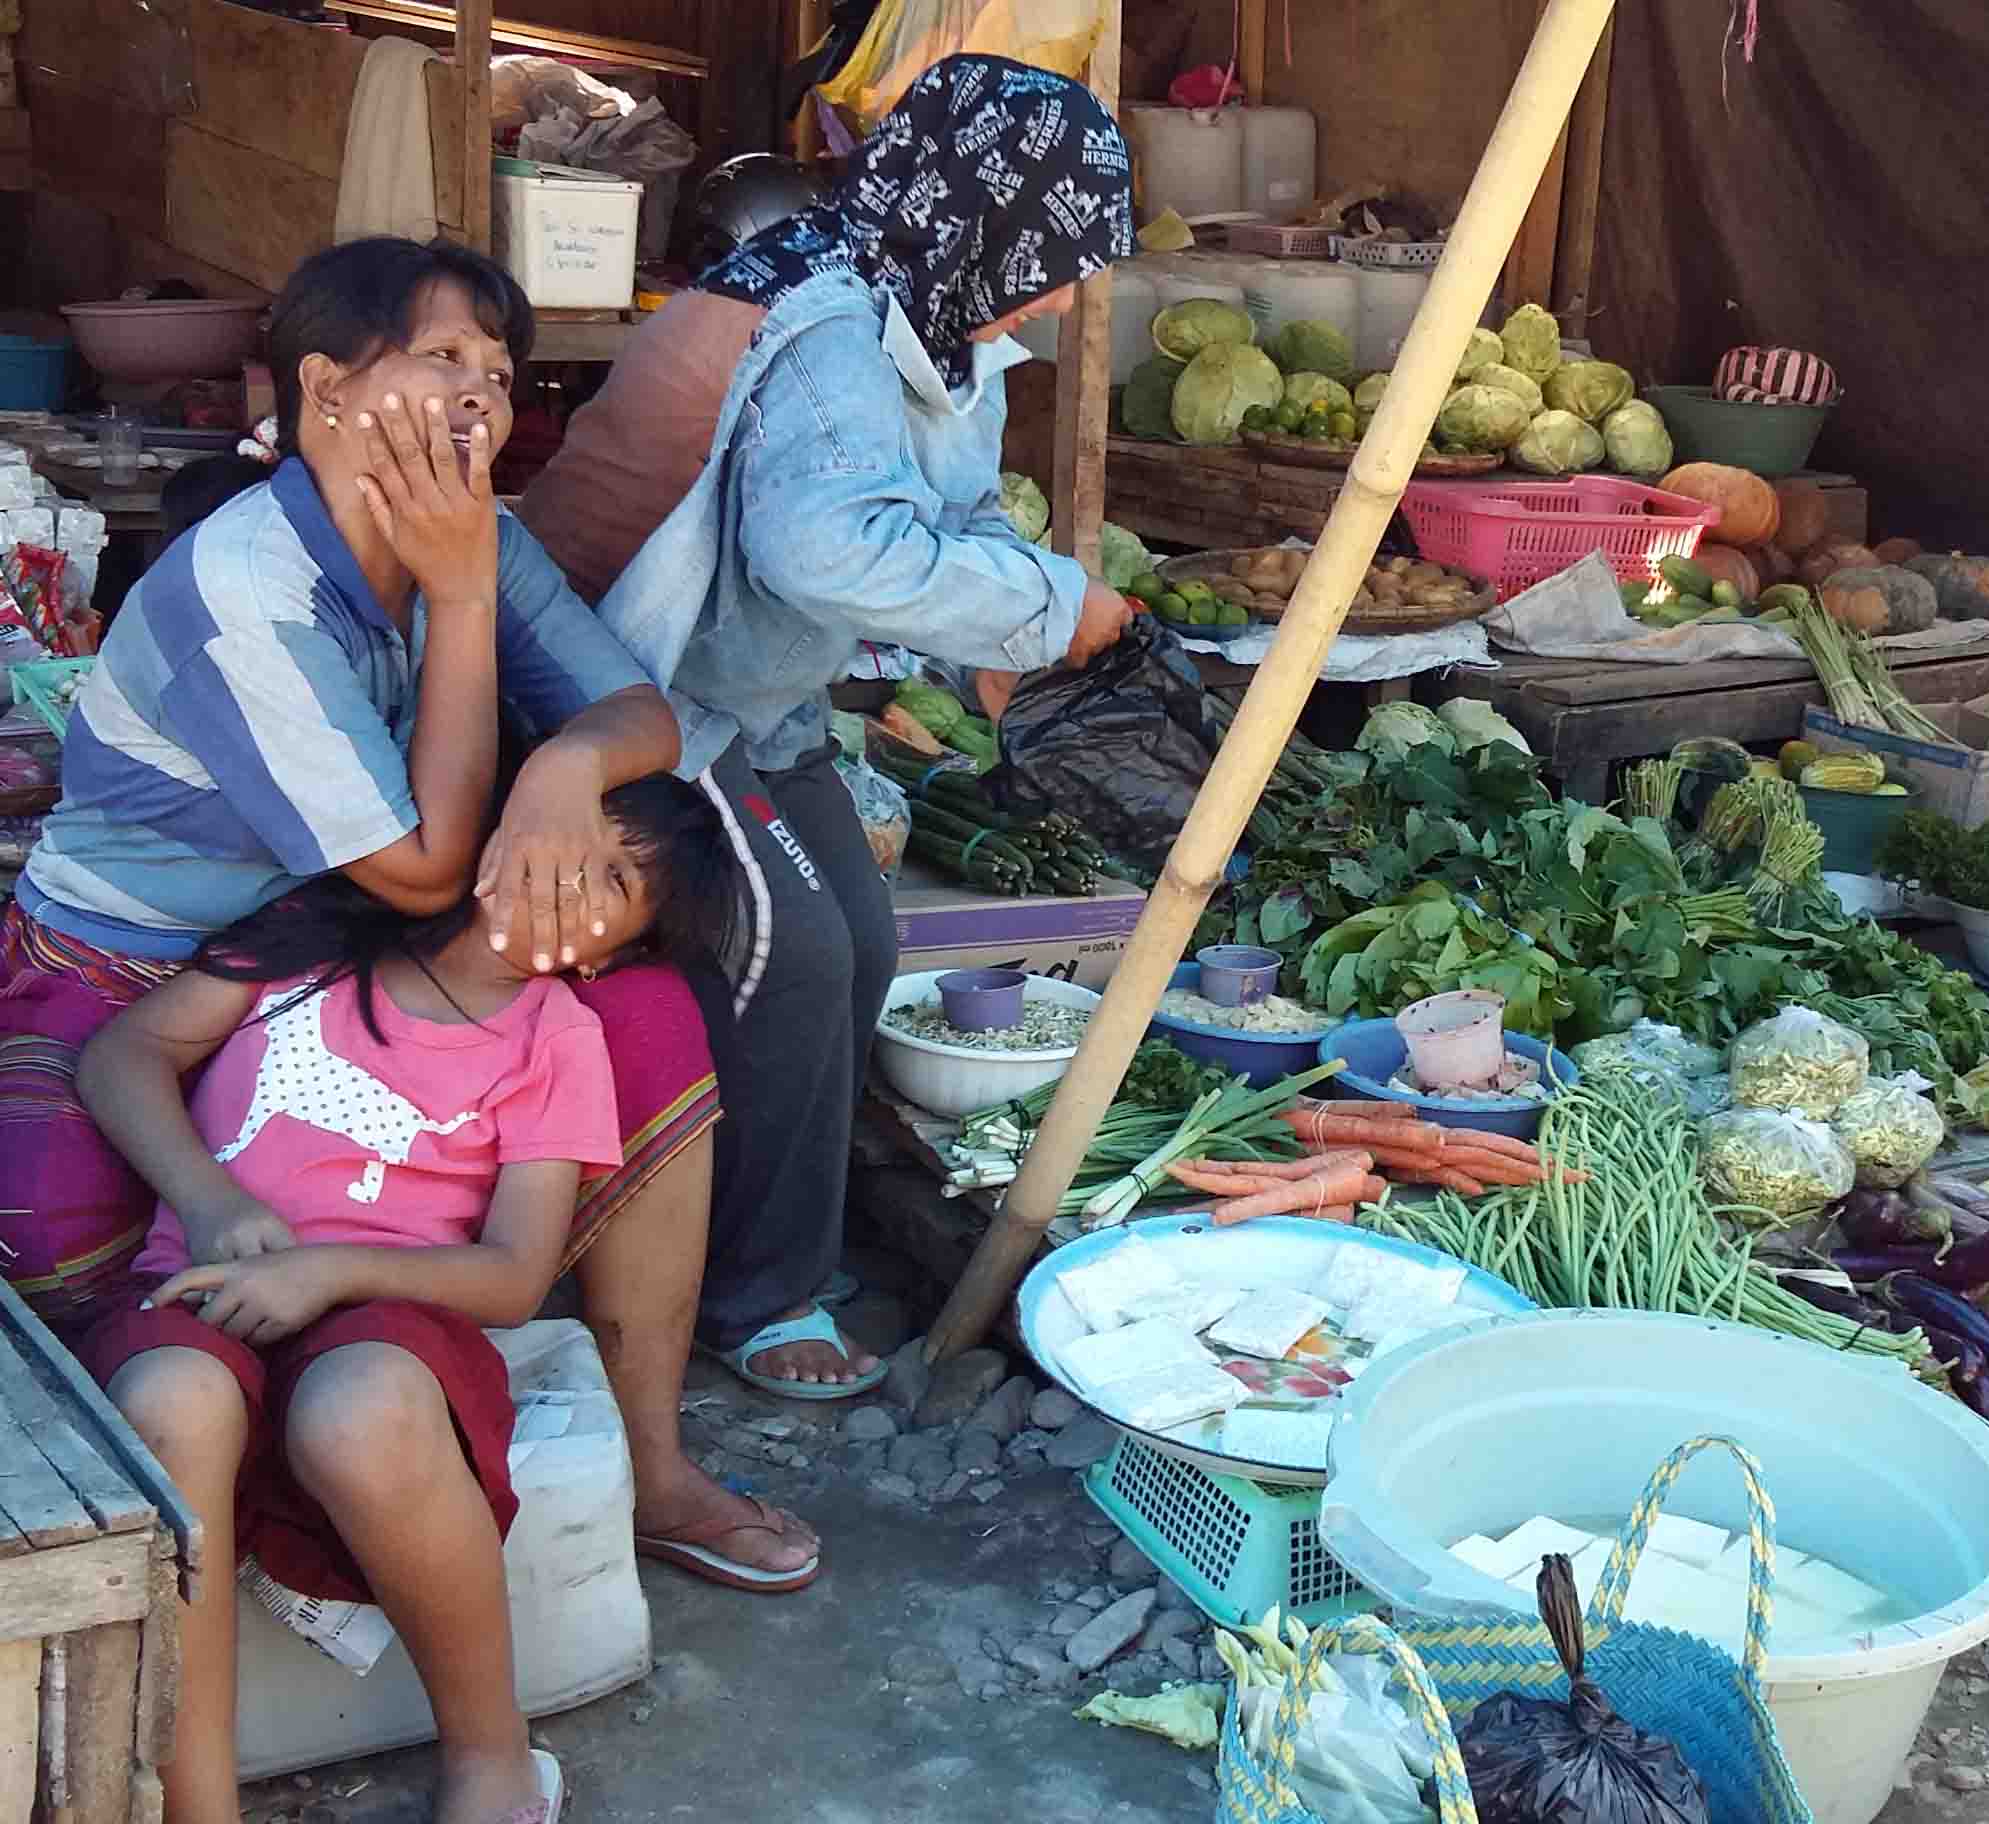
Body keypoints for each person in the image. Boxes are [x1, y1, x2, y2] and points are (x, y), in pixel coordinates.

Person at [0, 237, 820, 1587]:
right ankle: (255, 1509)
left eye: (498, 373)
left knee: (647, 1009)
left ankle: (656, 1469)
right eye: (441, 360)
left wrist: (561, 763)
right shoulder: (243, 591)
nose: (480, 401)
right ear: (326, 391)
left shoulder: (476, 538)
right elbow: (431, 871)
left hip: (340, 938)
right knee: (80, 1272)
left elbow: (641, 716)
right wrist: (459, 595)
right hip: (141, 974)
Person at [515, 55, 1137, 1399]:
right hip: (638, 690)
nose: (1071, 290)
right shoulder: (828, 325)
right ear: (992, 219)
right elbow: (821, 553)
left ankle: (775, 1234)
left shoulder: (940, 319)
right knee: (790, 954)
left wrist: (997, 631)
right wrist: (1051, 607)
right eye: (1064, 254)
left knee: (861, 935)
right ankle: (754, 1296)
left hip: (754, 694)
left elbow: (951, 510)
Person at [77, 774, 729, 1824]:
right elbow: (121, 1057)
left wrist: (327, 1271)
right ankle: (198, 1806)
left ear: (614, 955)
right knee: (173, 1403)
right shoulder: (313, 940)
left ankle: (491, 1760)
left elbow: (516, 1275)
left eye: (612, 878)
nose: (566, 870)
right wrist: (206, 1202)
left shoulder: (553, 1040)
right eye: (567, 834)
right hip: (195, 1286)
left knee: (363, 1409)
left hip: (388, 1316)